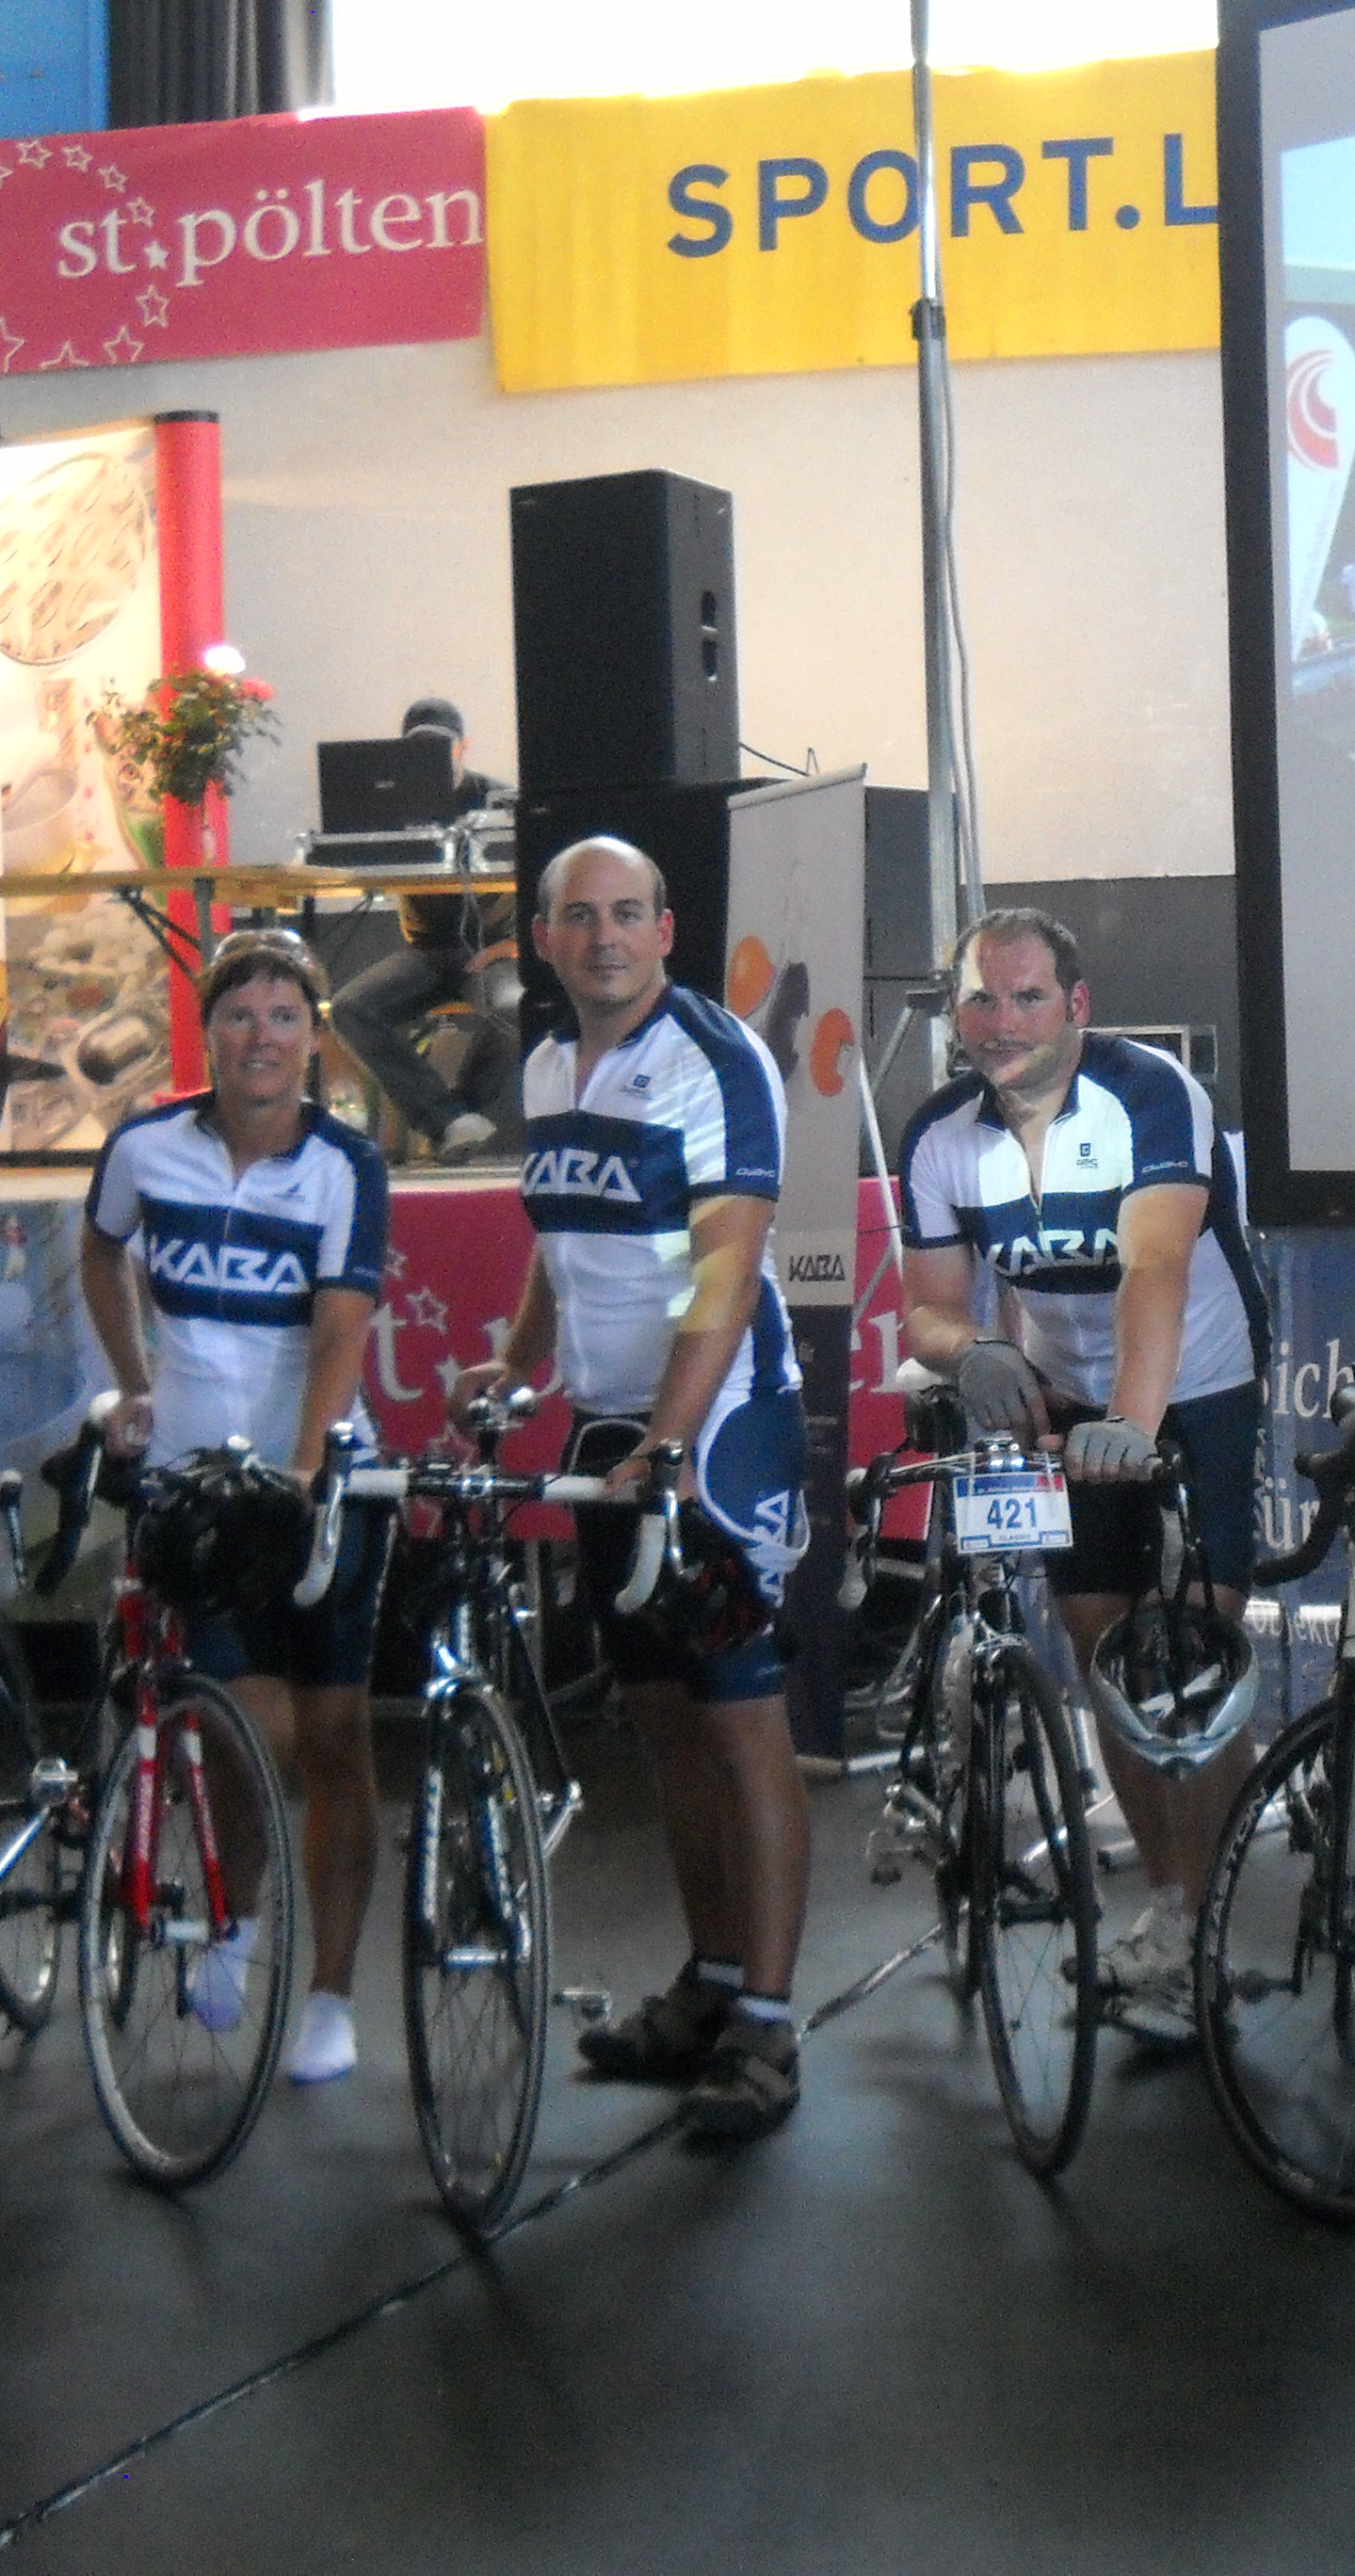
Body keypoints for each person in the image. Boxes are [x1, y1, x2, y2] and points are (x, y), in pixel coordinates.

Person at [463, 836, 814, 2138]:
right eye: (580, 916)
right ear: (544, 939)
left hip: (717, 1430)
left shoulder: (717, 1058)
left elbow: (728, 1266)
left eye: (627, 914)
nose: (604, 936)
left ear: (666, 931)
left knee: (739, 1718)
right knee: (661, 1713)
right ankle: (711, 1981)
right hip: (608, 1424)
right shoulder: (550, 1064)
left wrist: (666, 1440)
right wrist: (516, 1360)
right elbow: (559, 1239)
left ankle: (768, 2023)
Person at [895, 907, 1271, 2042]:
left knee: (1191, 1658)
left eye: (1028, 998)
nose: (1003, 1022)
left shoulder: (1149, 1093)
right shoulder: (939, 1134)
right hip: (1067, 1393)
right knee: (1106, 1654)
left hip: (1193, 1386)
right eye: (981, 999)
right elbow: (928, 1309)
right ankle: (1168, 1906)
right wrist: (974, 1351)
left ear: (1077, 1006)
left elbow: (1155, 1269)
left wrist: (1135, 1426)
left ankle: (1211, 1923)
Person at [80, 929, 393, 2087]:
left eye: (284, 1017)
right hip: (194, 1491)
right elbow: (100, 1250)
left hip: (318, 1487)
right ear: (207, 1030)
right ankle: (239, 1917)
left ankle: (330, 1997)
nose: (262, 1037)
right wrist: (135, 1381)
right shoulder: (145, 1146)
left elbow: (341, 1327)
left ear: (314, 1038)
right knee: (239, 1730)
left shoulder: (346, 1165)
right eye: (240, 1015)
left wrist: (303, 1475)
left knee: (336, 1739)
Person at [330, 696, 516, 1166]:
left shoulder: (497, 800)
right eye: (419, 751)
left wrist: (514, 945)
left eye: (441, 748)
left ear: (463, 748)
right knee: (350, 1008)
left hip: (491, 948)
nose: (433, 760)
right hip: (427, 952)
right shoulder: (390, 803)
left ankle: (457, 1118)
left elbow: (541, 871)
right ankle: (450, 1121)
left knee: (515, 1008)